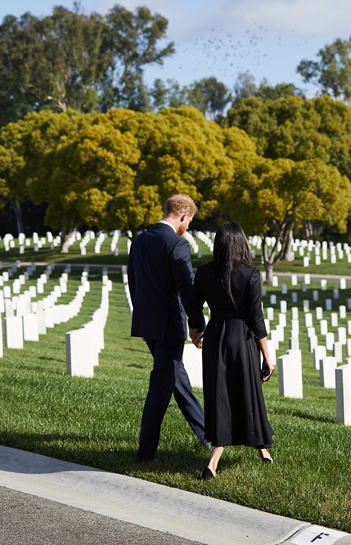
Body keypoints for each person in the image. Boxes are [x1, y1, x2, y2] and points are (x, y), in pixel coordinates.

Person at [128, 194, 208, 462]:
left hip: (147, 325)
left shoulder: (138, 241)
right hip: (168, 328)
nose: (188, 227)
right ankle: (146, 454)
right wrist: (198, 325)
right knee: (160, 391)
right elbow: (187, 288)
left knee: (177, 381)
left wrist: (142, 321)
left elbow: (133, 284)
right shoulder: (177, 244)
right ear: (183, 215)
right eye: (190, 221)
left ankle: (207, 434)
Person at [191, 221, 275, 479]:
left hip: (216, 336)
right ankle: (253, 449)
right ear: (242, 243)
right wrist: (267, 358)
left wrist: (196, 333)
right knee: (248, 394)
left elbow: (194, 307)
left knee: (220, 396)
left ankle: (219, 460)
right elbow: (256, 319)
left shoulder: (204, 272)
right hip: (243, 339)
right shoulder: (250, 273)